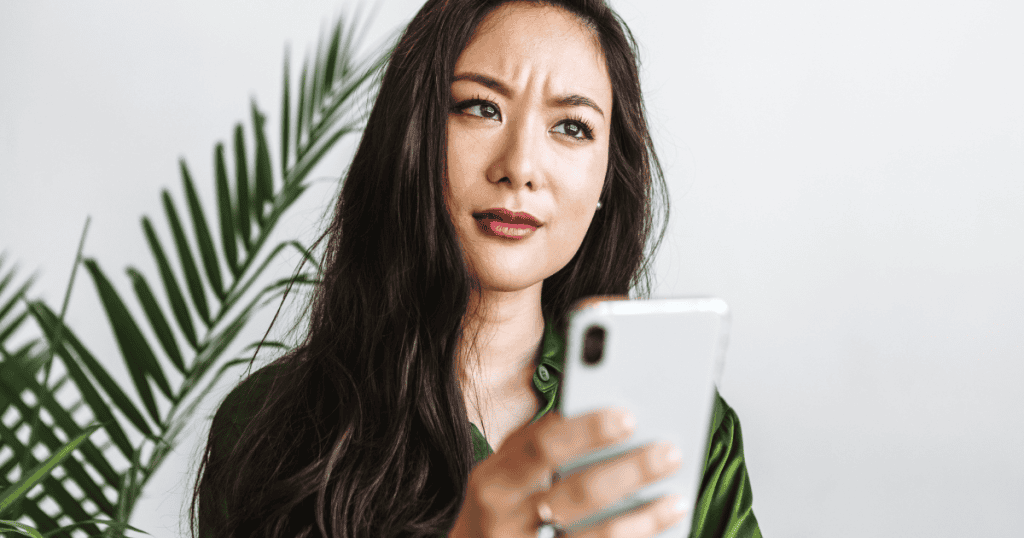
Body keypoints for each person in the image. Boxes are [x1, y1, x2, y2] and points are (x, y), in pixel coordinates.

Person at [190, 0, 762, 536]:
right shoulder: (271, 421)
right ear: (413, 138)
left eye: (571, 127)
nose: (520, 167)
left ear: (606, 182)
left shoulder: (685, 430)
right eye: (480, 108)